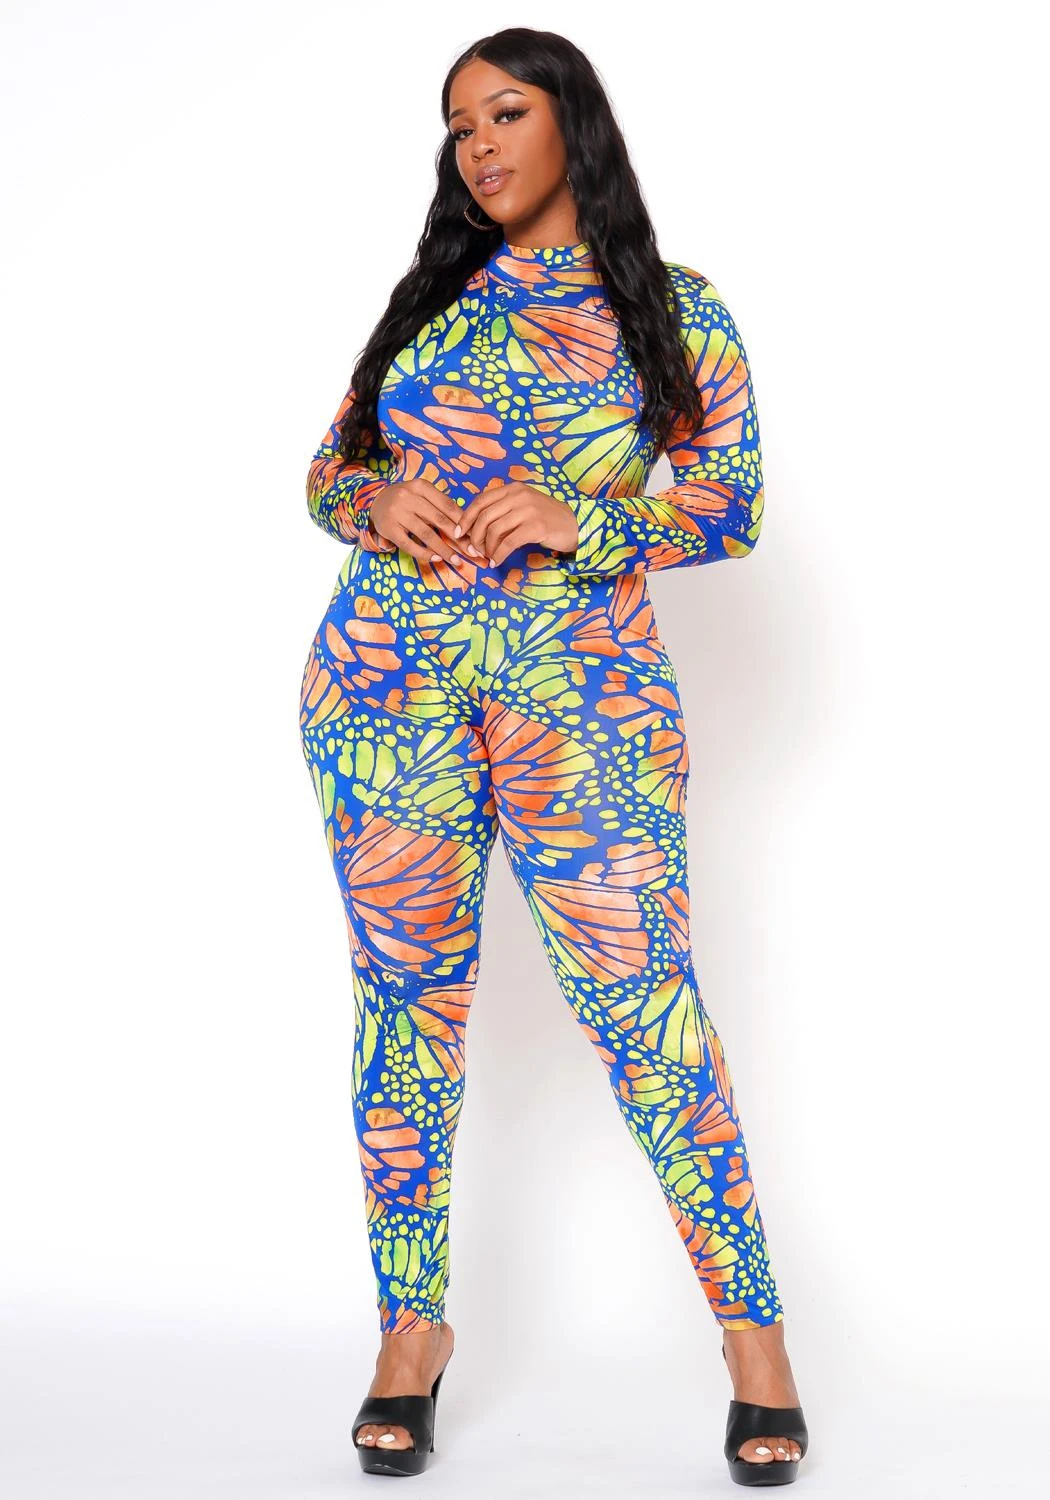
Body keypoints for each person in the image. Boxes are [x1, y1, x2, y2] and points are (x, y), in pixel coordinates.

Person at [298, 26, 808, 1487]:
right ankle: (412, 1333)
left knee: (647, 1012)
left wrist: (584, 520)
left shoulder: (673, 308)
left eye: (504, 113)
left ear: (571, 122)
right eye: (458, 124)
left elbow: (728, 504)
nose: (477, 145)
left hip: (584, 712)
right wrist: (371, 505)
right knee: (407, 1013)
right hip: (383, 695)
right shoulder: (431, 298)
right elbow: (327, 468)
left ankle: (756, 1346)